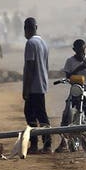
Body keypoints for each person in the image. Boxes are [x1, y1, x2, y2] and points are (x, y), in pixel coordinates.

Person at [55, 39, 86, 152]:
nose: (81, 52)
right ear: (74, 50)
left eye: (83, 50)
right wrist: (78, 69)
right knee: (66, 112)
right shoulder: (70, 61)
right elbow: (68, 76)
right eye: (78, 50)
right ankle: (63, 142)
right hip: (76, 89)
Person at [22, 17, 53, 154]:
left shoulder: (30, 43)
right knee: (38, 114)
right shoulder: (43, 43)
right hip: (42, 83)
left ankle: (44, 144)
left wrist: (26, 88)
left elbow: (30, 67)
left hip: (34, 86)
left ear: (27, 29)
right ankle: (39, 143)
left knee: (33, 114)